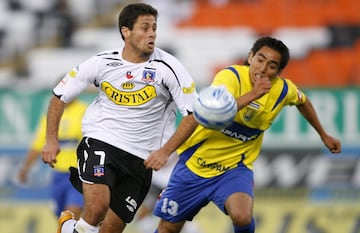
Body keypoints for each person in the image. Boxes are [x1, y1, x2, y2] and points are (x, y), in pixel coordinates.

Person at [144, 36, 342, 233]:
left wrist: (323, 134)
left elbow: (302, 101)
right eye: (260, 60)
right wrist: (165, 152)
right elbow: (211, 111)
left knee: (242, 216)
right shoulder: (230, 77)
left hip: (234, 169)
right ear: (250, 57)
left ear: (279, 72)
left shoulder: (283, 90)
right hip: (194, 166)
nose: (263, 69)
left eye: (272, 65)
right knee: (168, 228)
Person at [41, 3, 197, 233]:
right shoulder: (102, 62)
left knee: (111, 229)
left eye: (154, 27)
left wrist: (165, 151)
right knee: (97, 209)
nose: (152, 33)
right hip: (101, 142)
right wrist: (51, 139)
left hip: (141, 160)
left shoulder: (169, 68)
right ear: (126, 31)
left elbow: (194, 115)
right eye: (145, 27)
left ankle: (68, 228)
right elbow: (58, 97)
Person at [18, 98, 86, 220]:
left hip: (78, 174)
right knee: (60, 218)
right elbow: (38, 144)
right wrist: (25, 168)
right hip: (58, 175)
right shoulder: (51, 116)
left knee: (71, 214)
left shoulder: (84, 112)